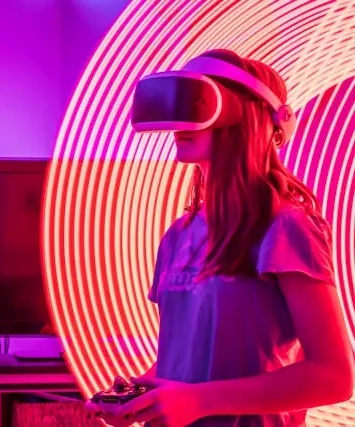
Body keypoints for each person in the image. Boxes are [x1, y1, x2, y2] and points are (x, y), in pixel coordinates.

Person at [87, 49, 354, 426]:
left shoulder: (286, 227)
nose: (180, 120)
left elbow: (334, 377)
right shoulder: (177, 235)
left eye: (198, 102)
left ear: (246, 116)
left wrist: (198, 402)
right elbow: (185, 361)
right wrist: (139, 395)